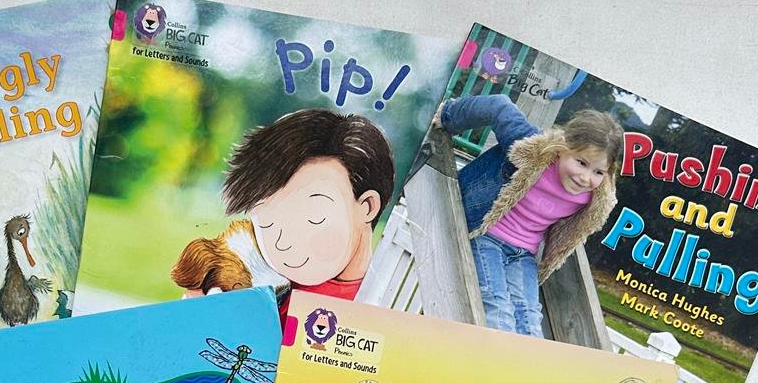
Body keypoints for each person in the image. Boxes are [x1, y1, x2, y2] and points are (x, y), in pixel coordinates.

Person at [439, 94, 623, 338]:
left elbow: (576, 228)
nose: (585, 177)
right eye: (581, 162)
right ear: (562, 146)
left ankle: (524, 363)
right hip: (487, 235)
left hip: (523, 254)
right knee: (498, 308)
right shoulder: (533, 150)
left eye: (598, 172)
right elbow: (498, 105)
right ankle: (492, 360)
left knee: (529, 318)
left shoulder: (595, 198)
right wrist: (447, 117)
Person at [222, 108, 395, 310]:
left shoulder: (384, 304)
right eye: (267, 222)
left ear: (367, 207)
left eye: (314, 217)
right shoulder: (263, 289)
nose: (282, 243)